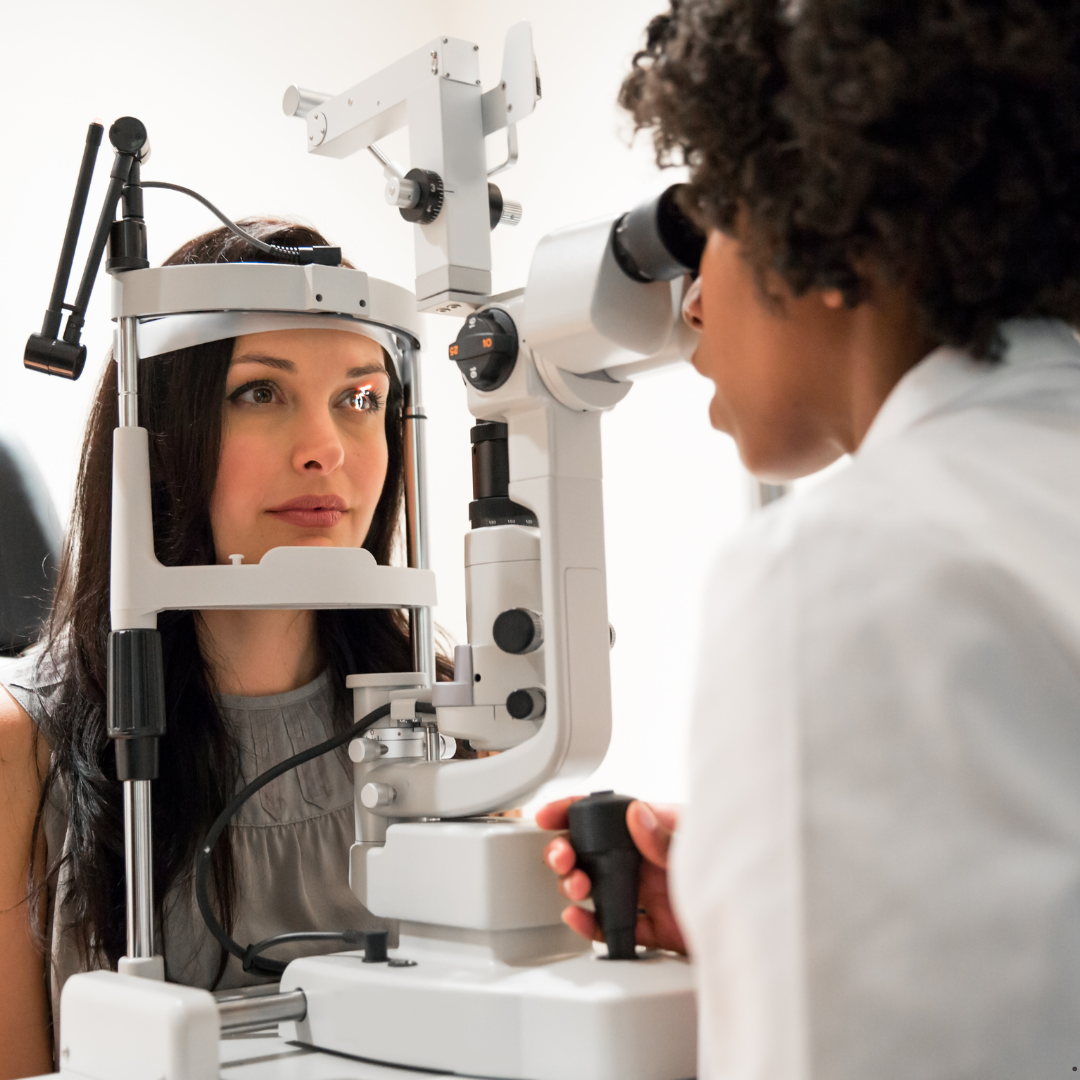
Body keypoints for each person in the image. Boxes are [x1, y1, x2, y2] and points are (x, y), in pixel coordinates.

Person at [540, 1, 1080, 1077]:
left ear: (830, 228)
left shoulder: (850, 567)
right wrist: (788, 914)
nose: (691, 302)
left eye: (719, 219)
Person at [0, 219, 449, 1078]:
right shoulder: (18, 756)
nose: (326, 450)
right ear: (162, 437)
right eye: (261, 393)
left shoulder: (446, 721)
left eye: (361, 399)